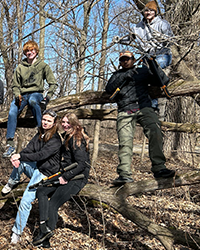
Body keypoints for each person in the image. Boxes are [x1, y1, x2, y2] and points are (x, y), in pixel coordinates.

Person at [105, 51, 175, 185]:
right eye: (122, 59)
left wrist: (153, 64)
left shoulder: (143, 71)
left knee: (155, 131)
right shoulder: (117, 75)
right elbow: (109, 89)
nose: (125, 61)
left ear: (133, 59)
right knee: (125, 142)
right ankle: (125, 174)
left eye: (128, 58)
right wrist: (126, 75)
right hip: (125, 109)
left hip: (144, 107)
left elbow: (163, 81)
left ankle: (159, 168)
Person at [1, 109, 61, 244]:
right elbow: (29, 149)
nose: (45, 122)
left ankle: (17, 232)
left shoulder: (56, 140)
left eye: (48, 121)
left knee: (25, 201)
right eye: (44, 119)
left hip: (46, 174)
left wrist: (20, 155)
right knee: (21, 161)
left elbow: (41, 155)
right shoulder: (40, 133)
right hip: (37, 168)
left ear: (54, 123)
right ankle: (13, 181)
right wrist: (18, 157)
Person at [33, 113, 90, 248]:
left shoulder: (77, 138)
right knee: (41, 191)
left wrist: (66, 177)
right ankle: (43, 230)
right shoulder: (67, 135)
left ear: (74, 123)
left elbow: (82, 164)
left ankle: (47, 235)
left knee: (53, 204)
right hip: (67, 173)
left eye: (68, 122)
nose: (65, 125)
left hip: (77, 178)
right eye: (63, 122)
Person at [113, 0, 174, 109]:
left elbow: (170, 39)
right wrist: (120, 40)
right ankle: (151, 105)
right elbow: (131, 38)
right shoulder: (138, 27)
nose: (148, 12)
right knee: (142, 76)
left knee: (153, 68)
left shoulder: (162, 24)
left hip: (162, 55)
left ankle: (164, 83)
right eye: (146, 10)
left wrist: (162, 39)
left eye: (151, 10)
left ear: (155, 12)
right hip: (147, 57)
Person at [2, 40, 58, 158]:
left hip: (36, 93)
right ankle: (10, 142)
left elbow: (53, 83)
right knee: (12, 110)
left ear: (36, 51)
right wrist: (17, 95)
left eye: (32, 50)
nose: (29, 52)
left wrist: (47, 97)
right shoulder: (20, 67)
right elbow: (15, 85)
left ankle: (41, 132)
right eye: (27, 51)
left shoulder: (43, 66)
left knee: (33, 101)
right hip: (23, 95)